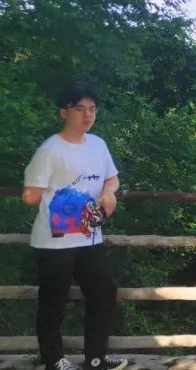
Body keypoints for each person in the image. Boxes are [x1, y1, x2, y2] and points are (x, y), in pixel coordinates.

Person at [21, 85, 126, 370]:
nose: (87, 115)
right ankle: (54, 360)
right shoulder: (50, 150)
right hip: (54, 241)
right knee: (53, 302)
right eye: (80, 109)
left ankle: (96, 358)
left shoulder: (98, 144)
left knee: (104, 292)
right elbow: (29, 196)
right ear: (63, 113)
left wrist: (109, 193)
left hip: (90, 237)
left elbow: (112, 177)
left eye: (92, 109)